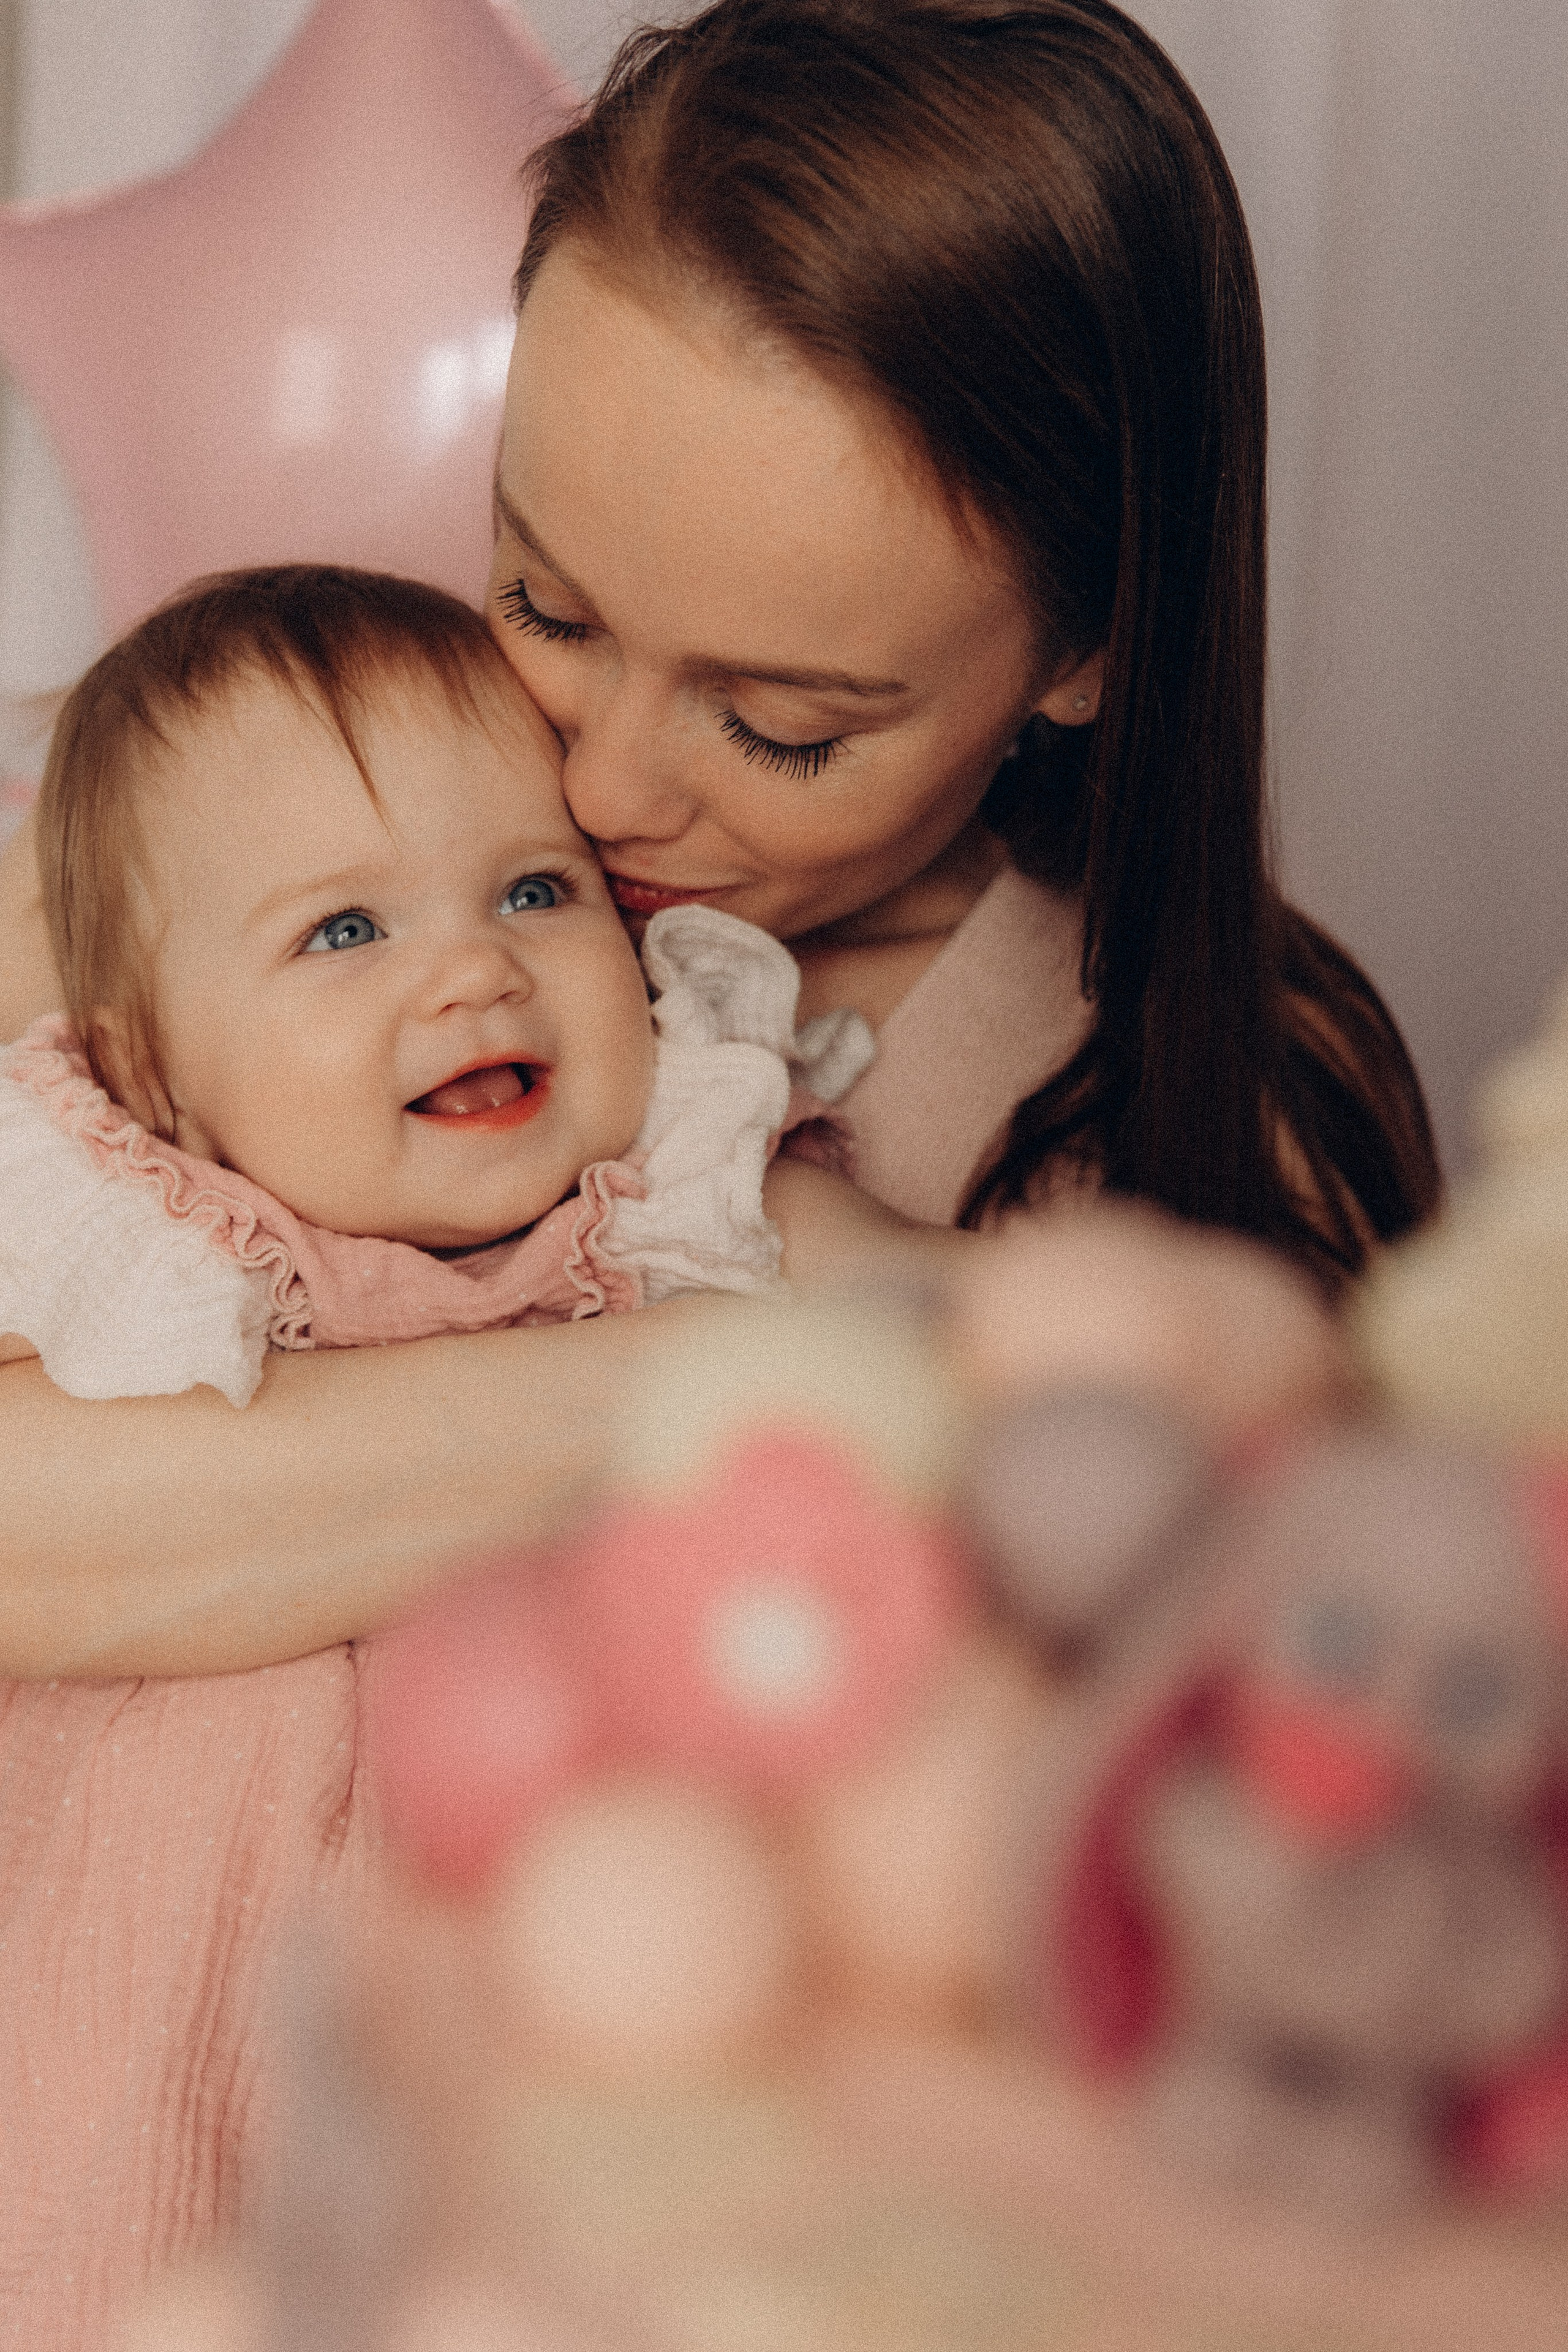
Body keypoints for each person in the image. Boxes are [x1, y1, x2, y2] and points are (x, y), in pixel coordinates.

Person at [0, 0, 1436, 1668]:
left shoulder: (1205, 1107)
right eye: (546, 603)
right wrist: (800, 1375)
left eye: (781, 727)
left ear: (1090, 647)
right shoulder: (243, 816)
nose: (601, 793)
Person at [1, 564, 872, 1407]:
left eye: (533, 892)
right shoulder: (131, 1253)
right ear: (150, 1075)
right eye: (346, 930)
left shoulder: (696, 1181)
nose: (477, 970)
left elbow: (943, 1306)